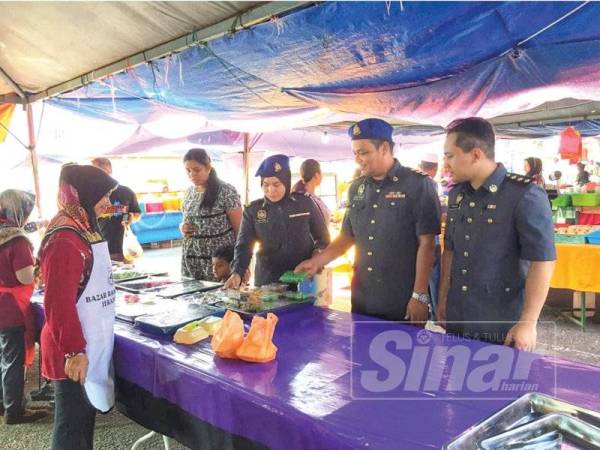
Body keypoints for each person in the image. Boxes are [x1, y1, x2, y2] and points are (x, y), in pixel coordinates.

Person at [295, 119, 441, 323]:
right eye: (355, 153)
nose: (357, 159)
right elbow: (347, 236)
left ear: (384, 148)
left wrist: (419, 295)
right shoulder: (356, 188)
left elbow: (427, 245)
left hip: (401, 298)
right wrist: (316, 262)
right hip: (363, 296)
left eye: (363, 152)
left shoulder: (418, 185)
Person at [437, 117, 556, 351]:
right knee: (457, 384)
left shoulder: (524, 194)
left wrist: (528, 322)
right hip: (459, 316)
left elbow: (543, 260)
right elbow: (450, 250)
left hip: (500, 322)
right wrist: (443, 299)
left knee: (500, 385)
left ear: (476, 154)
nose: (445, 164)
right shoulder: (457, 195)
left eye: (450, 156)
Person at [39, 164, 118, 449]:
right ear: (84, 193)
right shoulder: (65, 237)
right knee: (71, 424)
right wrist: (74, 350)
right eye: (103, 195)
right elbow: (57, 303)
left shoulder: (82, 225)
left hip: (86, 341)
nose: (108, 203)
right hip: (70, 348)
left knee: (84, 419)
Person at [224, 154, 331, 288]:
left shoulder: (304, 203)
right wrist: (237, 272)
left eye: (276, 184)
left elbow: (323, 239)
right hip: (268, 282)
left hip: (303, 278)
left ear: (286, 182)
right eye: (265, 185)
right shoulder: (253, 210)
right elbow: (244, 245)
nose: (271, 190)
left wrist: (315, 258)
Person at [0, 190, 48, 424]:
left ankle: (3, 404)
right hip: (10, 308)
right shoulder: (16, 240)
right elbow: (25, 277)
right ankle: (14, 411)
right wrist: (38, 270)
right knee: (14, 361)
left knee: (3, 357)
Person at [181, 149, 243, 281]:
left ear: (208, 168)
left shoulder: (226, 191)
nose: (192, 174)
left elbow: (241, 231)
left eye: (197, 170)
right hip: (192, 261)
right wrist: (182, 227)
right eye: (188, 170)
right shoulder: (188, 193)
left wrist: (242, 265)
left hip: (219, 264)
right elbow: (185, 220)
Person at [91, 157, 141, 262]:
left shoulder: (126, 192)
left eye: (103, 171)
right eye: (95, 172)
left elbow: (136, 213)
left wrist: (130, 217)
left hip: (124, 250)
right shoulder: (90, 195)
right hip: (99, 250)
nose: (99, 176)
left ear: (110, 171)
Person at [420, 152, 442, 319]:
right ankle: (435, 311)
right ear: (434, 168)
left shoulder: (415, 181)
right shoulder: (430, 183)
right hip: (431, 236)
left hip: (417, 238)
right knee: (434, 276)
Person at [292, 159, 331, 225]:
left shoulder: (298, 197)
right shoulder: (309, 200)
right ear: (316, 175)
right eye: (321, 173)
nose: (322, 176)